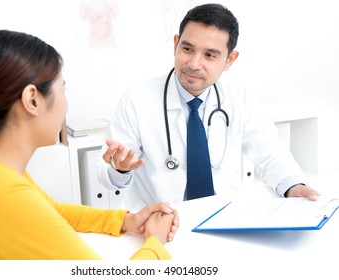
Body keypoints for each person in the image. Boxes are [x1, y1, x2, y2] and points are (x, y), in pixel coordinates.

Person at [0, 30, 177, 260]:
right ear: (32, 100)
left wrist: (126, 220)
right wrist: (155, 241)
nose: (66, 102)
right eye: (62, 89)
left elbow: (52, 212)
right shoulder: (5, 194)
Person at [97, 3, 319, 211]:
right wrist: (120, 169)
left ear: (230, 60)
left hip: (223, 217)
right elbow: (107, 175)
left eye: (210, 55)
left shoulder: (237, 96)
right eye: (187, 49)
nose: (194, 64)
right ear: (175, 44)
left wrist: (293, 186)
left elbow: (269, 151)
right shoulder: (137, 100)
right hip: (158, 222)